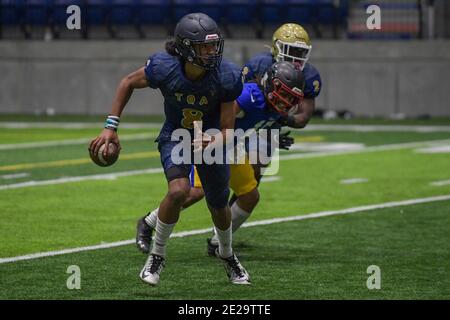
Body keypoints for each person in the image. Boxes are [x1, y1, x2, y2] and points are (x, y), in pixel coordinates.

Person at [91, 13, 250, 286]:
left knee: (219, 206)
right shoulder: (164, 67)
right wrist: (110, 126)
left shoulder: (226, 76)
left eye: (214, 45)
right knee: (178, 191)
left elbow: (228, 129)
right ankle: (157, 255)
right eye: (205, 46)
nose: (212, 51)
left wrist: (212, 142)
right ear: (187, 47)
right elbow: (127, 82)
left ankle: (227, 254)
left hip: (210, 140)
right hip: (175, 135)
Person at [136, 61, 305, 256]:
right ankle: (148, 223)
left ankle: (217, 243)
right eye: (282, 93)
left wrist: (271, 134)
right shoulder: (250, 96)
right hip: (214, 140)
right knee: (195, 192)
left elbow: (256, 121)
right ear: (269, 84)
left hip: (232, 147)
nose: (285, 101)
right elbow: (223, 115)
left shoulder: (273, 106)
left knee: (250, 196)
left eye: (290, 98)